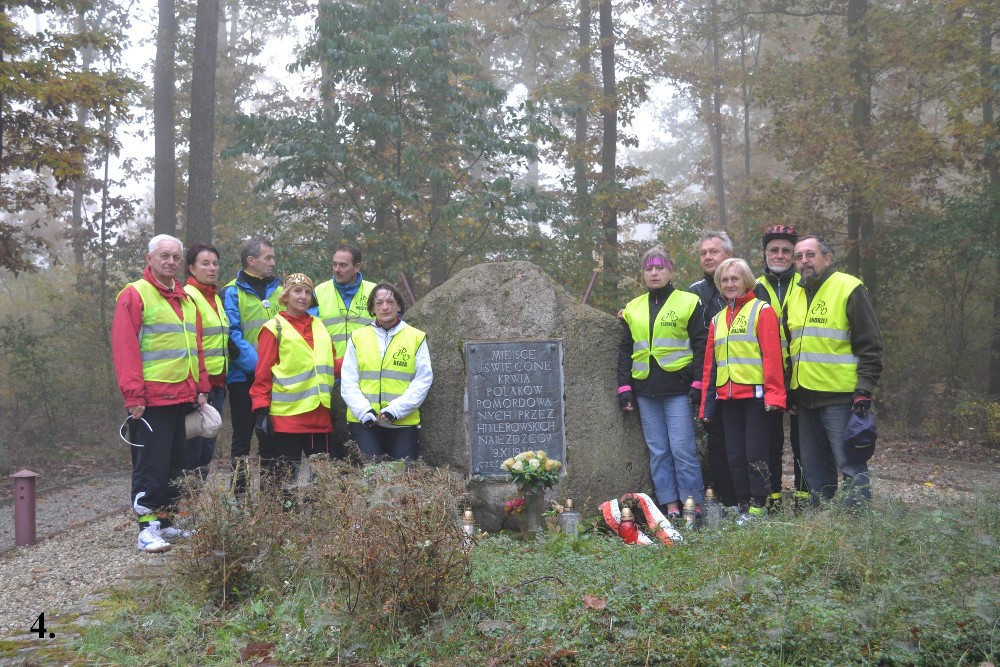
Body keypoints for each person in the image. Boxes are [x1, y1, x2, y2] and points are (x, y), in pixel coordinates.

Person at [112, 234, 210, 552]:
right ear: (149, 258)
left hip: (183, 396)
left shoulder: (186, 299)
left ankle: (166, 523)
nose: (170, 262)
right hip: (151, 400)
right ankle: (147, 528)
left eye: (175, 257)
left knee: (176, 464)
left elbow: (197, 349)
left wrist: (201, 388)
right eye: (164, 256)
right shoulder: (134, 294)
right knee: (150, 465)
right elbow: (125, 349)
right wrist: (134, 396)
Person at [786, 235, 884, 507]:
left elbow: (871, 344)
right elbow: (790, 348)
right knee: (814, 467)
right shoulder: (795, 294)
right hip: (805, 398)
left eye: (810, 254)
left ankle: (856, 526)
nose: (804, 261)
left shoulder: (848, 288)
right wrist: (789, 390)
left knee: (850, 464)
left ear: (827, 258)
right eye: (799, 256)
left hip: (841, 398)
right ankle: (823, 525)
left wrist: (864, 388)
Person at [618, 246, 707, 519]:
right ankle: (669, 505)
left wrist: (698, 383)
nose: (654, 273)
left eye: (660, 267)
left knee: (682, 449)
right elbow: (625, 350)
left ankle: (692, 504)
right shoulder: (632, 308)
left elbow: (702, 344)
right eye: (649, 268)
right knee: (658, 451)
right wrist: (624, 388)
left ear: (671, 270)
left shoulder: (688, 302)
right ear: (643, 274)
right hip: (645, 391)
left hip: (679, 390)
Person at [700, 258, 786, 524]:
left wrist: (775, 396)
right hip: (727, 398)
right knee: (734, 455)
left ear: (746, 281)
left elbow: (773, 357)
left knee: (755, 454)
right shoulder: (717, 319)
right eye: (724, 280)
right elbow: (710, 367)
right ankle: (742, 505)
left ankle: (759, 506)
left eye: (734, 279)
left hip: (757, 397)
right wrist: (706, 406)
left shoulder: (762, 310)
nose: (729, 284)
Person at [250, 273, 340, 491]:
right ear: (286, 296)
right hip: (286, 420)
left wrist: (360, 358)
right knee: (284, 483)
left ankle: (317, 522)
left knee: (322, 484)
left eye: (307, 292)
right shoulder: (274, 328)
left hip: (319, 418)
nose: (303, 296)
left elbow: (332, 365)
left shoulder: (320, 325)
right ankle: (283, 523)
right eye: (297, 291)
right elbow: (262, 375)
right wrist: (261, 411)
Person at [341, 283, 432, 461]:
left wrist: (396, 410)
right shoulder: (358, 337)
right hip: (365, 422)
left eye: (390, 301)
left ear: (399, 306)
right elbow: (348, 380)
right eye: (379, 303)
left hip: (402, 422)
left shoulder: (416, 337)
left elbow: (423, 380)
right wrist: (363, 411)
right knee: (370, 477)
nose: (385, 307)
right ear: (372, 309)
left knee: (403, 477)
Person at [753, 224, 808, 511]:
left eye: (786, 251)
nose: (780, 255)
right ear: (764, 254)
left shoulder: (806, 284)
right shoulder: (753, 286)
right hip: (766, 376)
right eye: (774, 250)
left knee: (803, 442)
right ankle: (771, 499)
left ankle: (804, 499)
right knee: (770, 442)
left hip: (802, 374)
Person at [221, 238, 281, 493]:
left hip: (277, 378)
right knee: (243, 438)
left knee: (271, 437)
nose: (273, 262)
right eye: (268, 258)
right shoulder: (230, 292)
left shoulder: (281, 290)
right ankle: (240, 495)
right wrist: (260, 368)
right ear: (251, 261)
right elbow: (231, 337)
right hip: (243, 378)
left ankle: (272, 495)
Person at [687, 231, 738, 512]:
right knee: (716, 445)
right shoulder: (693, 292)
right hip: (709, 384)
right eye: (703, 252)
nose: (708, 256)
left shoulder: (745, 286)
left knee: (745, 445)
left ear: (728, 255)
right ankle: (726, 503)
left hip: (744, 382)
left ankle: (754, 501)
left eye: (714, 251)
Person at [311, 243, 377, 456]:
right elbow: (308, 334)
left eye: (343, 265)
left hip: (367, 376)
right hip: (330, 376)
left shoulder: (374, 292)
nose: (337, 269)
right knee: (334, 440)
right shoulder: (319, 292)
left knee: (364, 434)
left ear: (357, 267)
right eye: (334, 264)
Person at [182, 242, 229, 479]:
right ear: (191, 268)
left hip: (218, 383)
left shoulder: (215, 297)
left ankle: (198, 504)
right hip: (198, 385)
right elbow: (194, 344)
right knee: (195, 447)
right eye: (205, 263)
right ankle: (184, 501)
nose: (212, 268)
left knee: (207, 447)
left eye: (215, 263)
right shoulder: (189, 297)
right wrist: (201, 386)